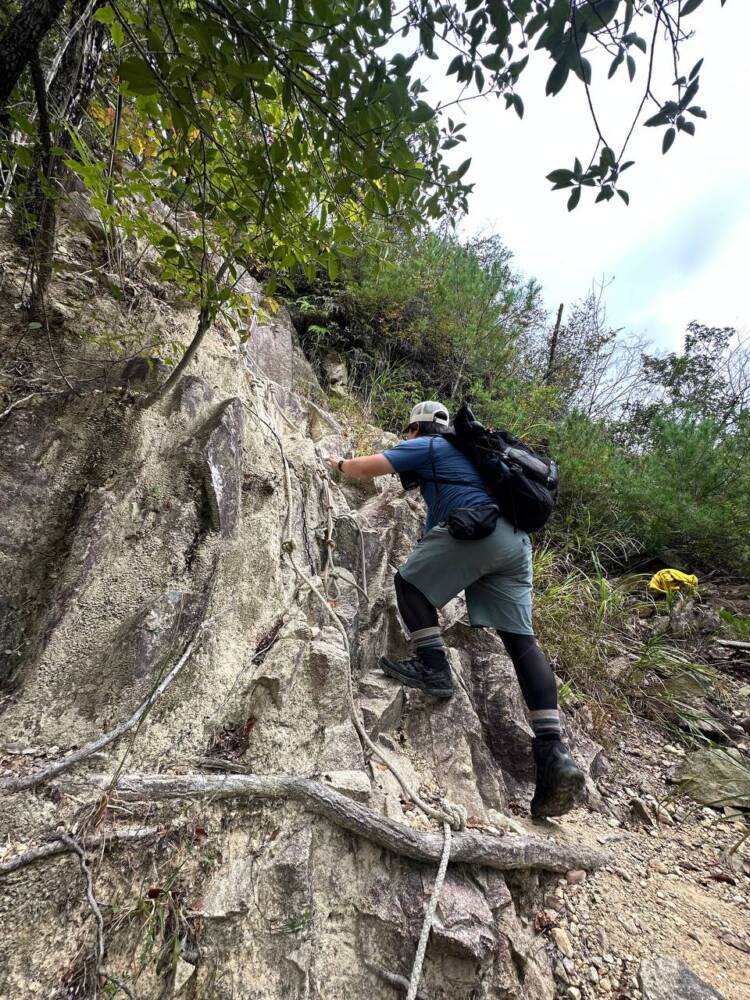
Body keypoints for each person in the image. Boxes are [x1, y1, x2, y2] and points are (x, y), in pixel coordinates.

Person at [325, 399, 585, 818]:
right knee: (522, 644)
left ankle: (434, 668)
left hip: (478, 531)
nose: (405, 439)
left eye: (407, 431)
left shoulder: (429, 446)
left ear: (417, 428)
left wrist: (338, 463)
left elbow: (364, 468)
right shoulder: (474, 457)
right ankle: (554, 755)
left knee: (408, 584)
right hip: (516, 544)